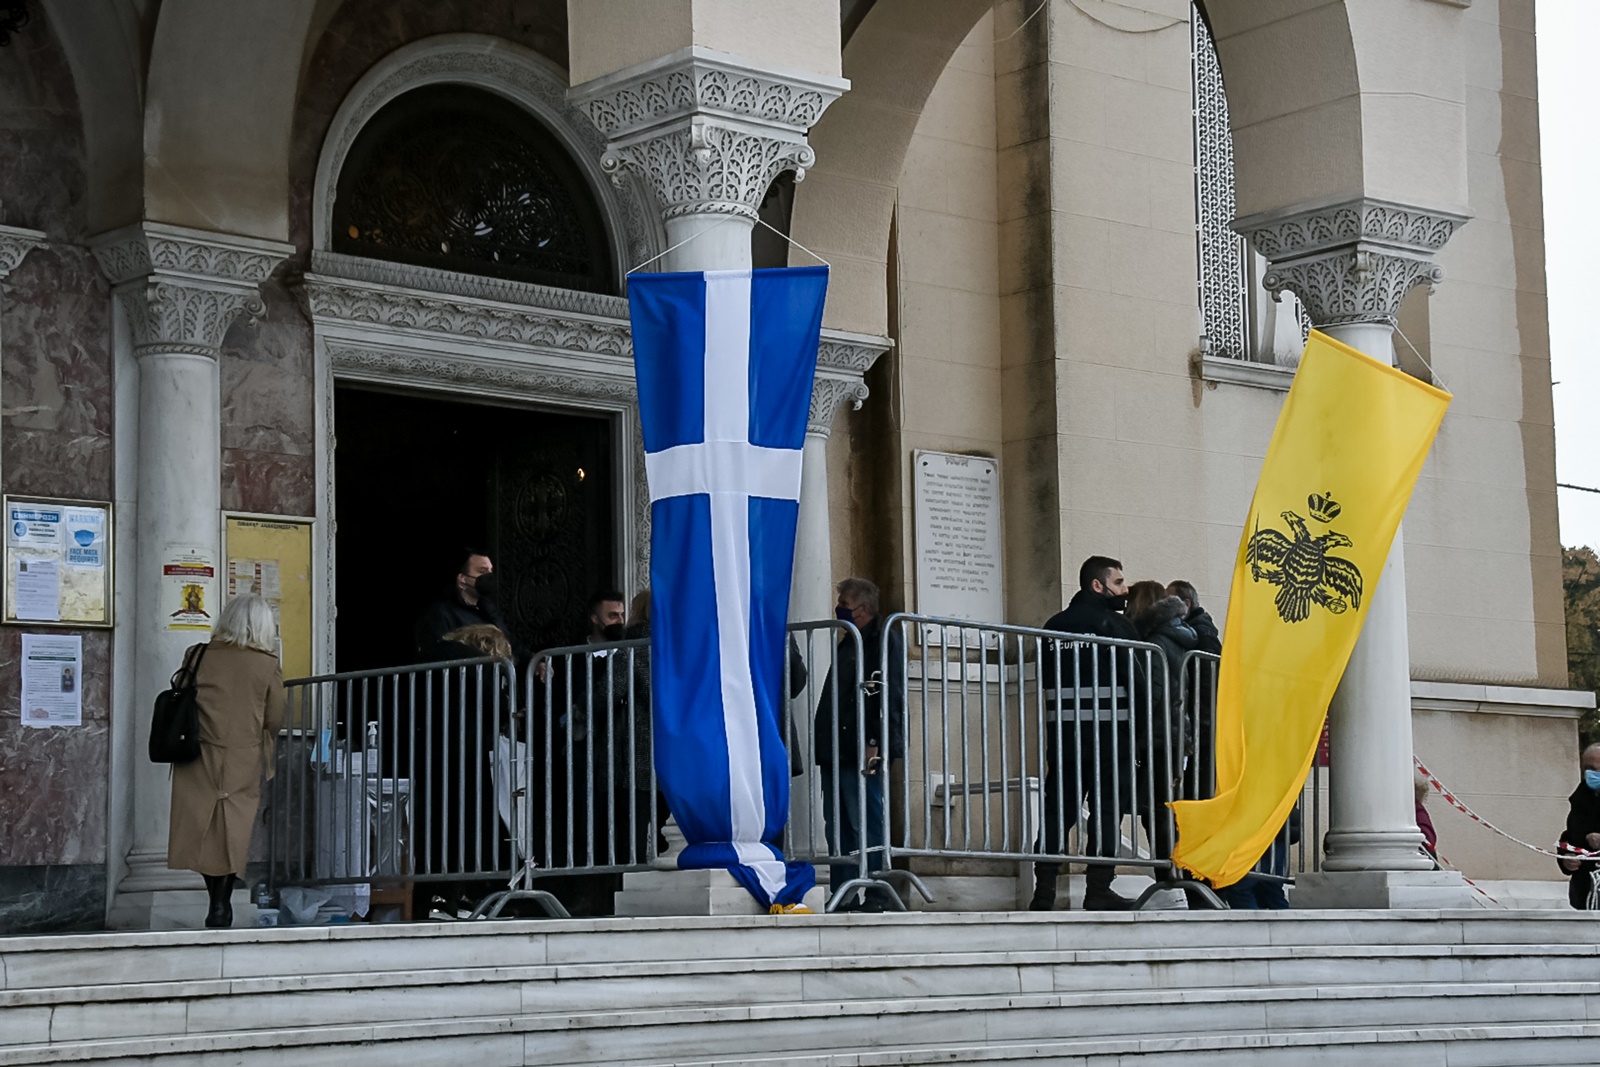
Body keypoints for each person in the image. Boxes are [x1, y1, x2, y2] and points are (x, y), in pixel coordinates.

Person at [1032, 555, 1146, 912]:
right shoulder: (1117, 626)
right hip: (1111, 742)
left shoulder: (1055, 626)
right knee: (1106, 814)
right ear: (1097, 585)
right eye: (1118, 583)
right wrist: (1140, 739)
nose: (1125, 590)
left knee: (1057, 815)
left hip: (1065, 742)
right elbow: (1139, 688)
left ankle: (1044, 893)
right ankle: (1098, 890)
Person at [166, 594, 286, 928]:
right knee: (233, 828)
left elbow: (182, 696)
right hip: (243, 756)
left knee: (202, 827)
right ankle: (223, 902)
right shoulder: (266, 664)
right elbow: (274, 718)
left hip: (197, 753)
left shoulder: (198, 654)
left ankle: (215, 901)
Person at [813, 577, 905, 911]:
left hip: (861, 748)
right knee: (837, 825)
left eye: (845, 605)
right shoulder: (849, 642)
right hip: (837, 747)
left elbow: (886, 696)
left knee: (866, 820)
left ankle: (877, 890)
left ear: (863, 609)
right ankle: (845, 892)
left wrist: (874, 742)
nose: (839, 611)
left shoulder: (883, 640)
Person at [412, 622, 513, 918]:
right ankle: (457, 896)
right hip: (467, 753)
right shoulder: (478, 667)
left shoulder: (429, 659)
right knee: (468, 825)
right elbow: (496, 708)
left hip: (430, 755)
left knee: (433, 826)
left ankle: (431, 898)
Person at [414, 548, 508, 657]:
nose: (489, 577)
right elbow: (438, 652)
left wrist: (531, 662)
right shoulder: (440, 614)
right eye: (482, 571)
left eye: (490, 571)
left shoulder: (490, 611)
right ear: (462, 579)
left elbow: (510, 643)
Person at [1557, 744, 1600, 909]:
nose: (1595, 773)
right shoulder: (1580, 798)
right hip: (1585, 892)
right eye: (1590, 768)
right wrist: (1565, 858)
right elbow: (1570, 837)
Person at [1165, 580, 1222, 655]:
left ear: (1187, 604)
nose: (1165, 605)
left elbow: (1208, 665)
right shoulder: (1190, 628)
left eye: (1170, 601)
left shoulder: (1202, 632)